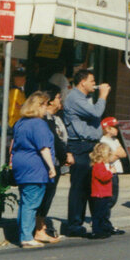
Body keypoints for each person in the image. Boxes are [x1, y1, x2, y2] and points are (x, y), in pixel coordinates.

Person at [62, 68, 110, 237]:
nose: (94, 84)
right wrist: (103, 95)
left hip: (91, 145)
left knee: (94, 185)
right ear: (82, 82)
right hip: (80, 146)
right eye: (92, 80)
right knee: (80, 186)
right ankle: (74, 224)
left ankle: (101, 223)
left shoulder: (86, 98)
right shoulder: (75, 98)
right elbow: (97, 112)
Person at [9, 91, 57, 248]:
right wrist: (51, 167)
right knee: (32, 202)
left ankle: (23, 233)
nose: (46, 108)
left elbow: (13, 145)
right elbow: (44, 148)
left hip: (20, 164)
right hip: (35, 166)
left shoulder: (20, 123)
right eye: (45, 105)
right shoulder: (38, 124)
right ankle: (26, 237)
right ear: (40, 106)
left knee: (25, 200)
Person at [34, 86, 73, 242]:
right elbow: (54, 141)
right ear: (49, 102)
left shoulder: (56, 118)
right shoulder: (44, 119)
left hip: (57, 162)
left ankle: (41, 226)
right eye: (58, 97)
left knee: (49, 195)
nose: (60, 100)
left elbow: (63, 139)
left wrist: (66, 153)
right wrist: (64, 155)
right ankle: (38, 228)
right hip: (48, 162)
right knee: (43, 195)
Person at [99, 116, 128, 236]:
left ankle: (104, 220)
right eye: (114, 127)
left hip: (115, 172)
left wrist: (116, 152)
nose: (117, 130)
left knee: (113, 198)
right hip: (108, 172)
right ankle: (103, 222)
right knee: (108, 199)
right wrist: (117, 153)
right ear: (107, 129)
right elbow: (107, 158)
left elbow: (124, 154)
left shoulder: (115, 141)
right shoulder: (103, 142)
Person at [89, 142, 116, 239]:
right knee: (98, 214)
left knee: (103, 213)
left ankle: (103, 228)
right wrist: (111, 172)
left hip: (104, 194)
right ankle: (97, 231)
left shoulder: (101, 165)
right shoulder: (98, 166)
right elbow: (103, 177)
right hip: (99, 195)